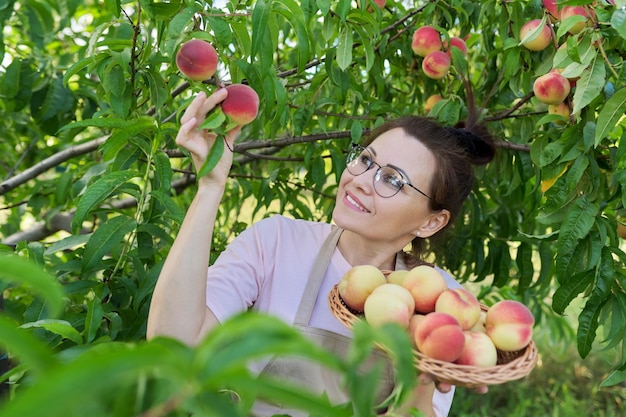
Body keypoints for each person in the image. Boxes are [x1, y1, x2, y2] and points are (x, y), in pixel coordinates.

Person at [146, 88, 497, 417]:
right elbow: (174, 346)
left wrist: (426, 373)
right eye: (365, 160)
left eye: (392, 180)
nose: (360, 179)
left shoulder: (440, 302)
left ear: (431, 223)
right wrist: (210, 185)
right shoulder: (278, 242)